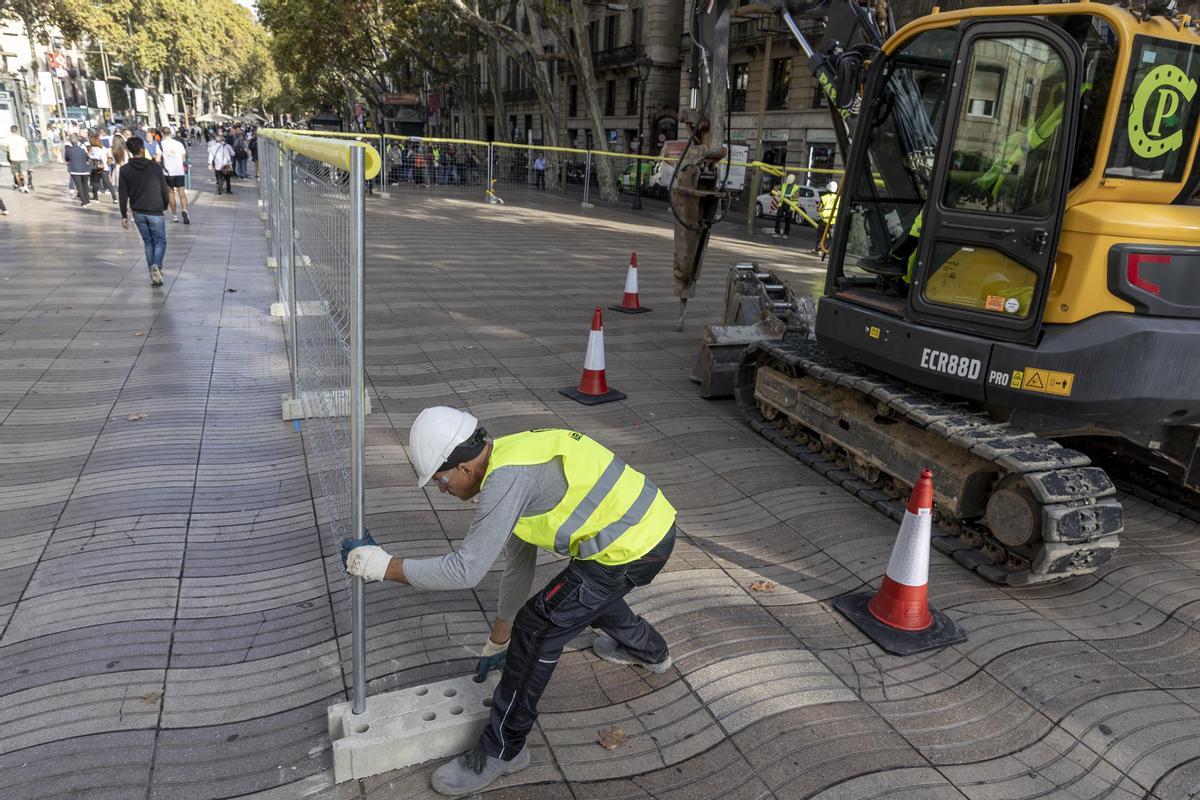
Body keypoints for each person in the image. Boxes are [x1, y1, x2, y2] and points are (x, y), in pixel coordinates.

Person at [344, 407, 678, 797]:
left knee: (538, 626)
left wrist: (383, 566)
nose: (442, 490)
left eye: (440, 481)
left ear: (465, 469)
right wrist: (498, 639)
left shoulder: (507, 480)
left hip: (631, 550)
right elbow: (520, 560)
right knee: (579, 598)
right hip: (649, 530)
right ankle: (652, 652)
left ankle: (502, 750)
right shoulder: (511, 453)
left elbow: (464, 571)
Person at [118, 136, 170, 287]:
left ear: (128, 150)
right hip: (155, 210)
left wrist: (123, 215)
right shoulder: (155, 167)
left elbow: (123, 194)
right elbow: (163, 189)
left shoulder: (125, 170)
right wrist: (165, 205)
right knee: (160, 241)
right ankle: (157, 266)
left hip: (138, 211)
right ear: (143, 149)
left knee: (148, 242)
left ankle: (153, 273)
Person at [159, 127, 190, 224]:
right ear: (171, 133)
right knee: (182, 192)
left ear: (162, 133)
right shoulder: (179, 143)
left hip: (168, 172)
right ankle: (185, 210)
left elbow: (157, 159)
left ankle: (175, 215)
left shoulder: (160, 144)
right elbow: (184, 158)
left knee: (171, 193)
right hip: (179, 170)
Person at [87, 133, 117, 202]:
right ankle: (114, 198)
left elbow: (91, 157)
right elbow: (108, 156)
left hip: (96, 167)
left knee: (95, 182)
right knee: (108, 183)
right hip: (105, 168)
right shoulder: (104, 148)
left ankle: (95, 197)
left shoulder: (92, 148)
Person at [64, 134, 92, 206]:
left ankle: (84, 202)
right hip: (84, 170)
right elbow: (87, 158)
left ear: (71, 141)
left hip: (75, 170)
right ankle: (87, 200)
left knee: (79, 186)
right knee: (85, 186)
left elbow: (67, 158)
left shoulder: (69, 150)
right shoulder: (82, 150)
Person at [771, 173, 800, 239]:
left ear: (793, 181)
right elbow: (775, 187)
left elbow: (796, 196)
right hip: (782, 203)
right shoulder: (784, 185)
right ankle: (777, 232)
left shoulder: (796, 188)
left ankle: (786, 233)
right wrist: (778, 191)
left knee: (787, 219)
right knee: (778, 217)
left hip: (790, 204)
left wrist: (788, 196)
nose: (789, 183)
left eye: (790, 182)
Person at [4, 125, 30, 192]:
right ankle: (26, 186)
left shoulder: (8, 139)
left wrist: (8, 150)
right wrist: (26, 155)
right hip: (23, 157)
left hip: (13, 158)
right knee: (24, 172)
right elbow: (27, 149)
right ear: (17, 130)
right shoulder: (22, 139)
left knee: (16, 173)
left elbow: (3, 147)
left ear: (11, 130)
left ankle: (20, 186)